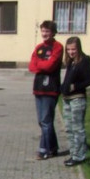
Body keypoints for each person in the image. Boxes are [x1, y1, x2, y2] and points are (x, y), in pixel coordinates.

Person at [28, 20, 63, 160]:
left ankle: (44, 150)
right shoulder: (39, 48)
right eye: (43, 31)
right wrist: (41, 65)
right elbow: (32, 66)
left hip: (51, 88)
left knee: (46, 120)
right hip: (38, 88)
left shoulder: (57, 47)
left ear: (53, 32)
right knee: (42, 121)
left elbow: (50, 65)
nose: (44, 34)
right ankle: (53, 147)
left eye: (47, 31)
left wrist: (40, 65)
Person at [61, 37, 90, 167]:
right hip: (67, 99)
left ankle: (79, 156)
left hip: (77, 99)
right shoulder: (70, 61)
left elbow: (89, 80)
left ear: (78, 48)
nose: (71, 52)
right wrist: (63, 88)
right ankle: (74, 153)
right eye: (68, 49)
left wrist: (75, 86)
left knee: (77, 128)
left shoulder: (84, 61)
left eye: (73, 49)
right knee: (69, 128)